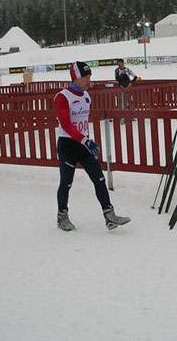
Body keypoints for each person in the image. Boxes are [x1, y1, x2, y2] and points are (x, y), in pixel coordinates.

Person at [54, 62, 130, 231]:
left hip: (84, 145)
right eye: (85, 77)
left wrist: (85, 140)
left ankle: (109, 216)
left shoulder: (86, 96)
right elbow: (66, 124)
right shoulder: (62, 97)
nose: (89, 80)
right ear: (75, 77)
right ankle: (62, 216)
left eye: (90, 76)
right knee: (66, 183)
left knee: (99, 179)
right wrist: (84, 140)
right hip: (68, 146)